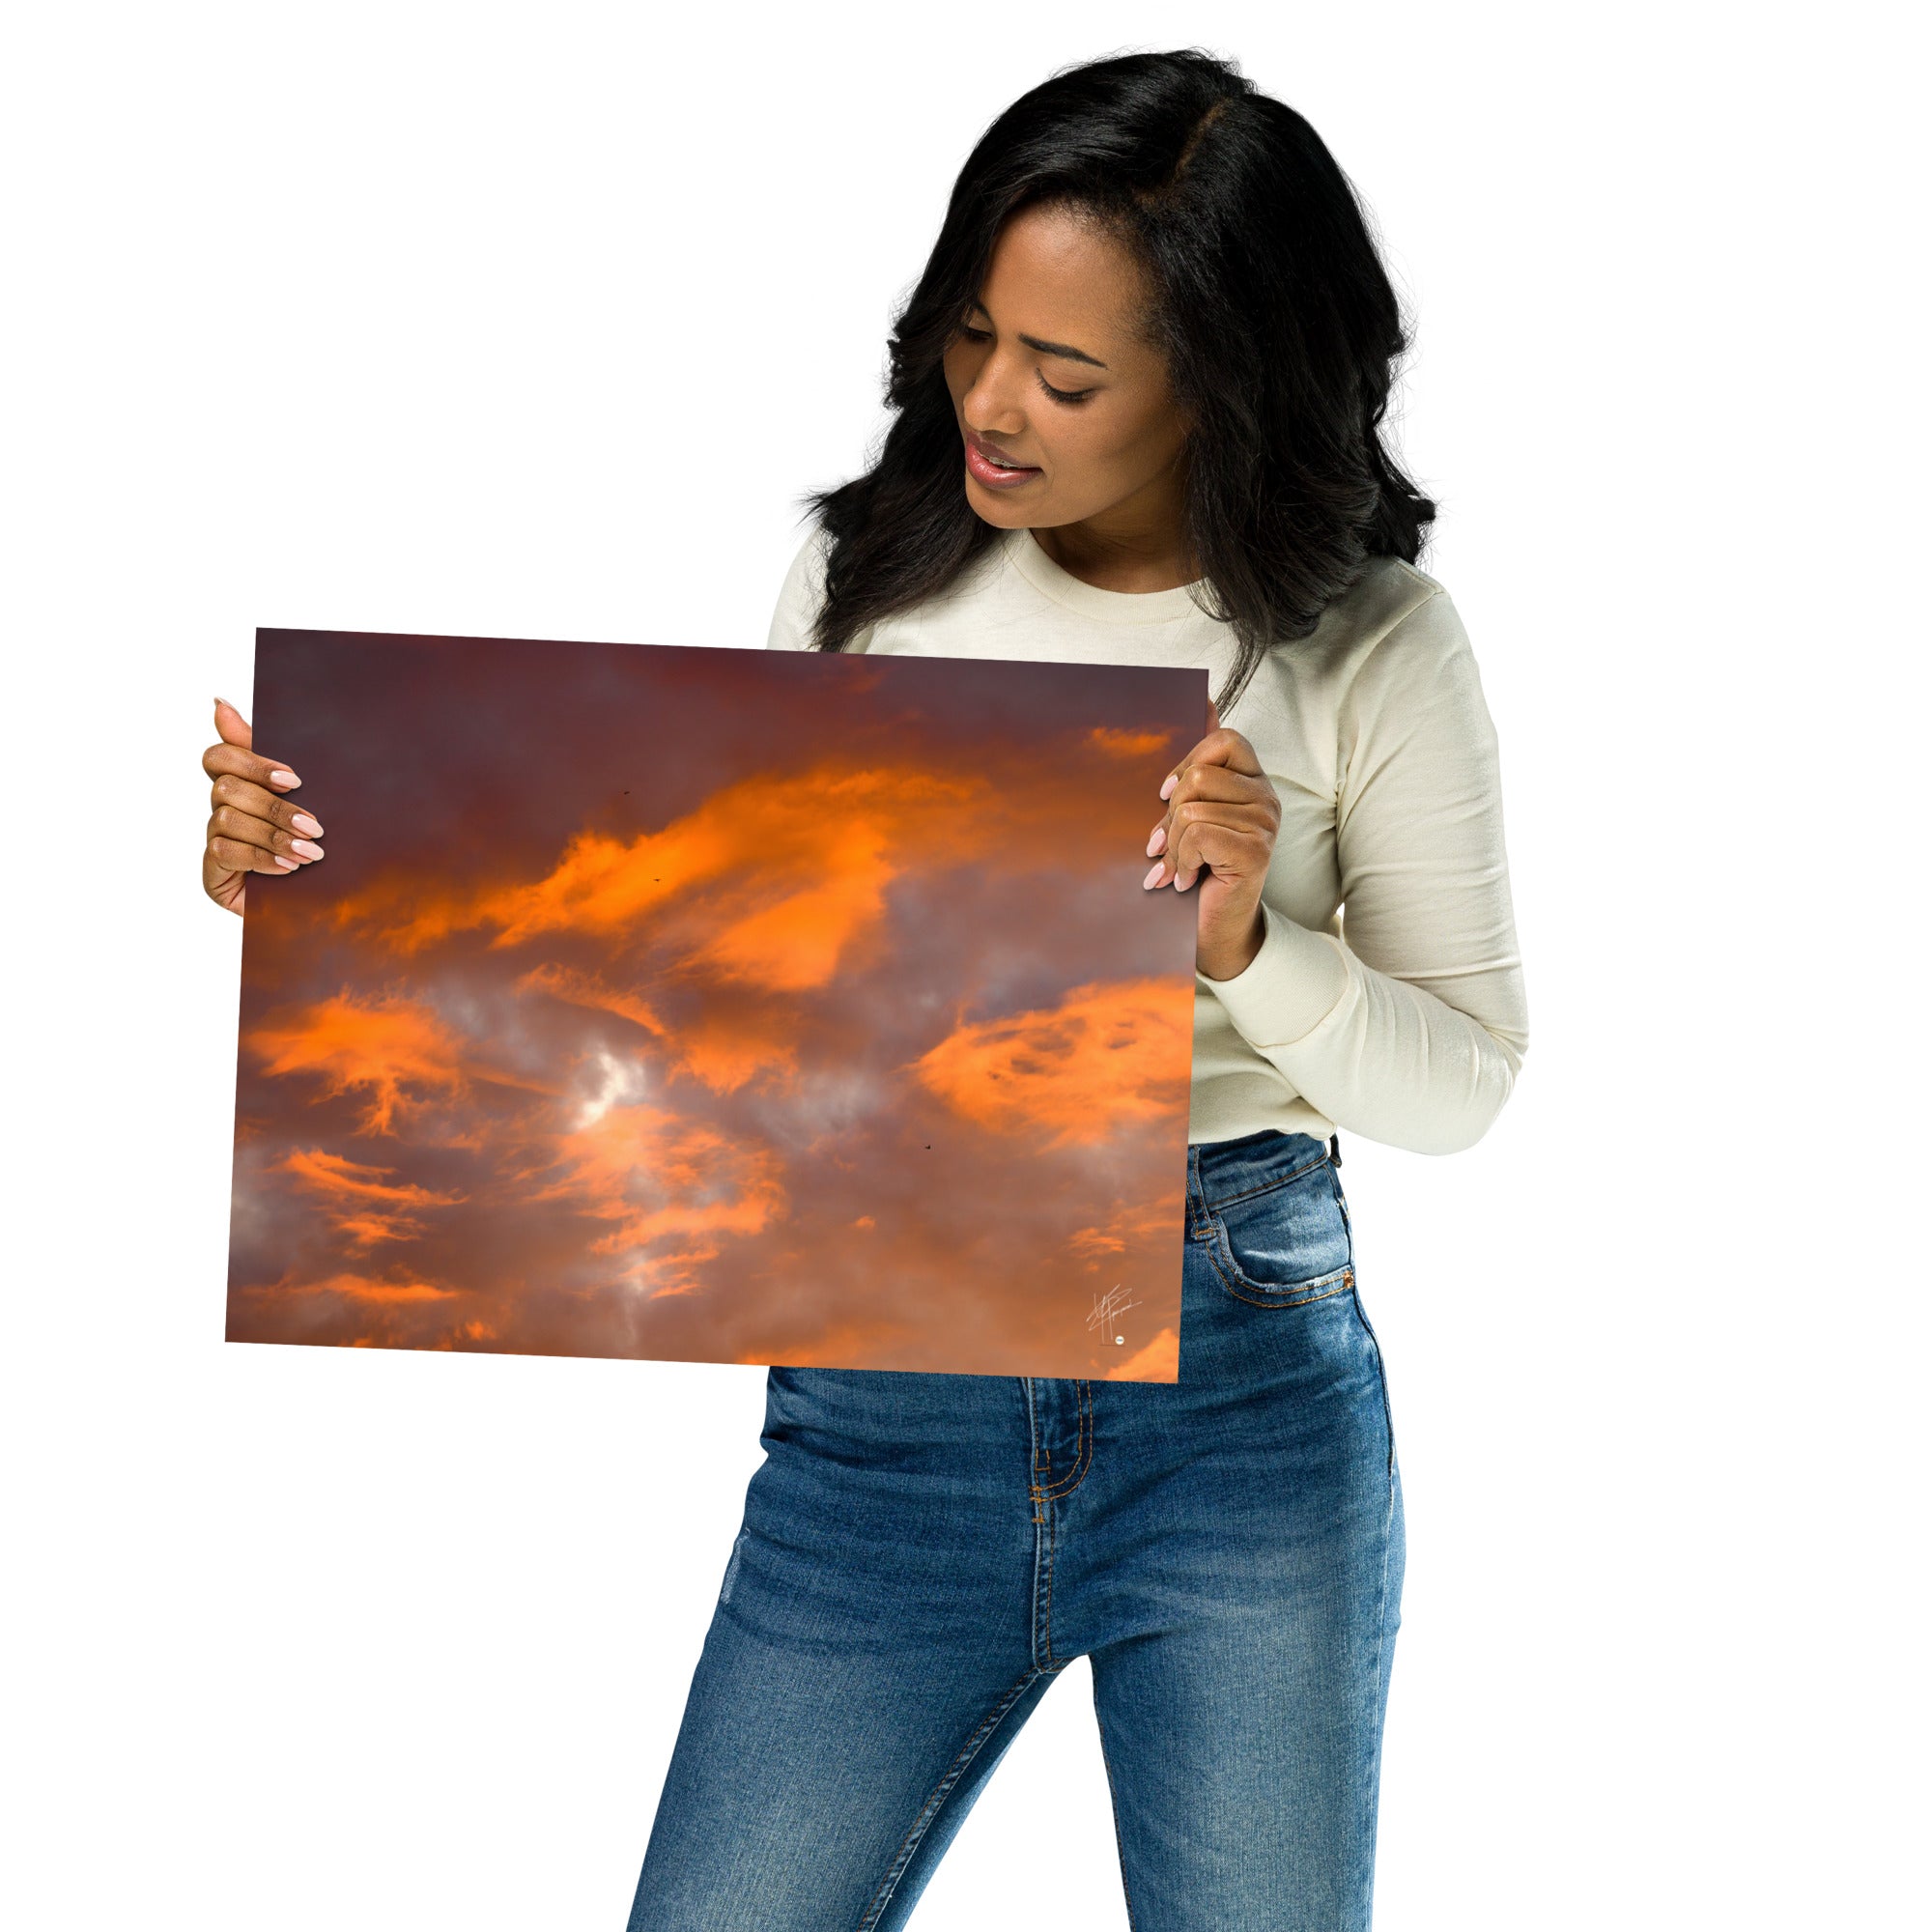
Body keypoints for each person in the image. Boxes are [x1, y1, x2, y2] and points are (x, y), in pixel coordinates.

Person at [199, 47, 1529, 1932]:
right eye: (971, 335)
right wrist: (332, 878)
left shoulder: (1371, 642)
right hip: (880, 1420)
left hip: (1234, 1387)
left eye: (1065, 375)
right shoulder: (865, 577)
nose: (991, 403)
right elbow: (718, 993)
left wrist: (1245, 943)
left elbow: (1464, 1082)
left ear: (1222, 379)